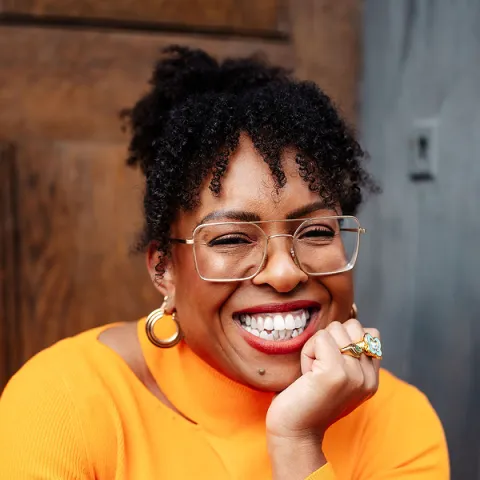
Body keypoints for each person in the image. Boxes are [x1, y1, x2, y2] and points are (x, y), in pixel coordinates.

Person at [0, 45, 449, 479]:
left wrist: (297, 441)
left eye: (315, 232)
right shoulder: (62, 401)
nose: (284, 272)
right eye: (232, 238)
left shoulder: (397, 422)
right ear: (164, 270)